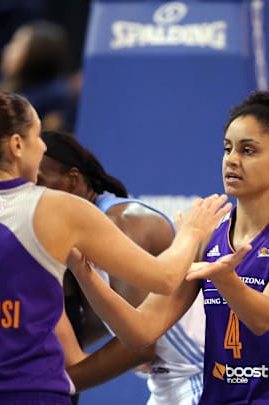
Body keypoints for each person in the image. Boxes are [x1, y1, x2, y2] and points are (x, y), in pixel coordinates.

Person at [0, 90, 231, 404]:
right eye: (37, 138)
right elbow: (165, 279)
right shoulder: (63, 211)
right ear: (17, 145)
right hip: (33, 394)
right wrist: (191, 233)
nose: (43, 150)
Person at [68, 89, 269, 404]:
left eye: (248, 150)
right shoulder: (208, 235)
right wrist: (85, 273)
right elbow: (139, 332)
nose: (232, 160)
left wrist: (224, 278)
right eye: (227, 148)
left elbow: (264, 319)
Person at [36, 131, 205, 404]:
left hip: (199, 372)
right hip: (171, 378)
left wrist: (51, 382)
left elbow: (140, 345)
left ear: (73, 180)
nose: (33, 196)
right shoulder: (85, 229)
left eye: (39, 183)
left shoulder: (121, 223)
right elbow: (99, 321)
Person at [0, 21, 78, 131]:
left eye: (18, 45)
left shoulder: (54, 97)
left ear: (38, 55)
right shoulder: (9, 88)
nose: (7, 50)